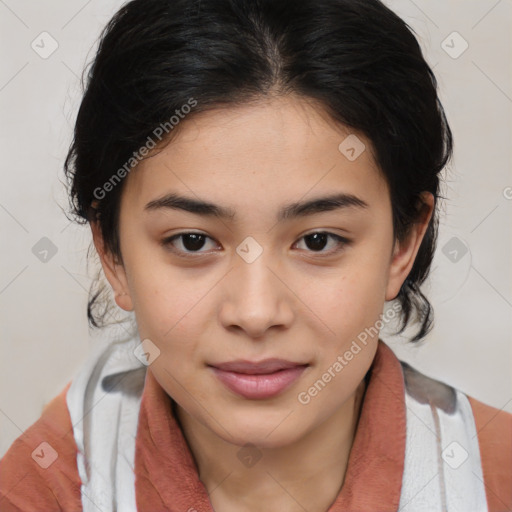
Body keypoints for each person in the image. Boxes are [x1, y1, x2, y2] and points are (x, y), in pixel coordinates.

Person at [1, 0, 510, 511]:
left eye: (318, 240)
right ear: (112, 254)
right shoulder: (44, 489)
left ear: (403, 244)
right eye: (193, 241)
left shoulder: (494, 477)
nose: (256, 312)